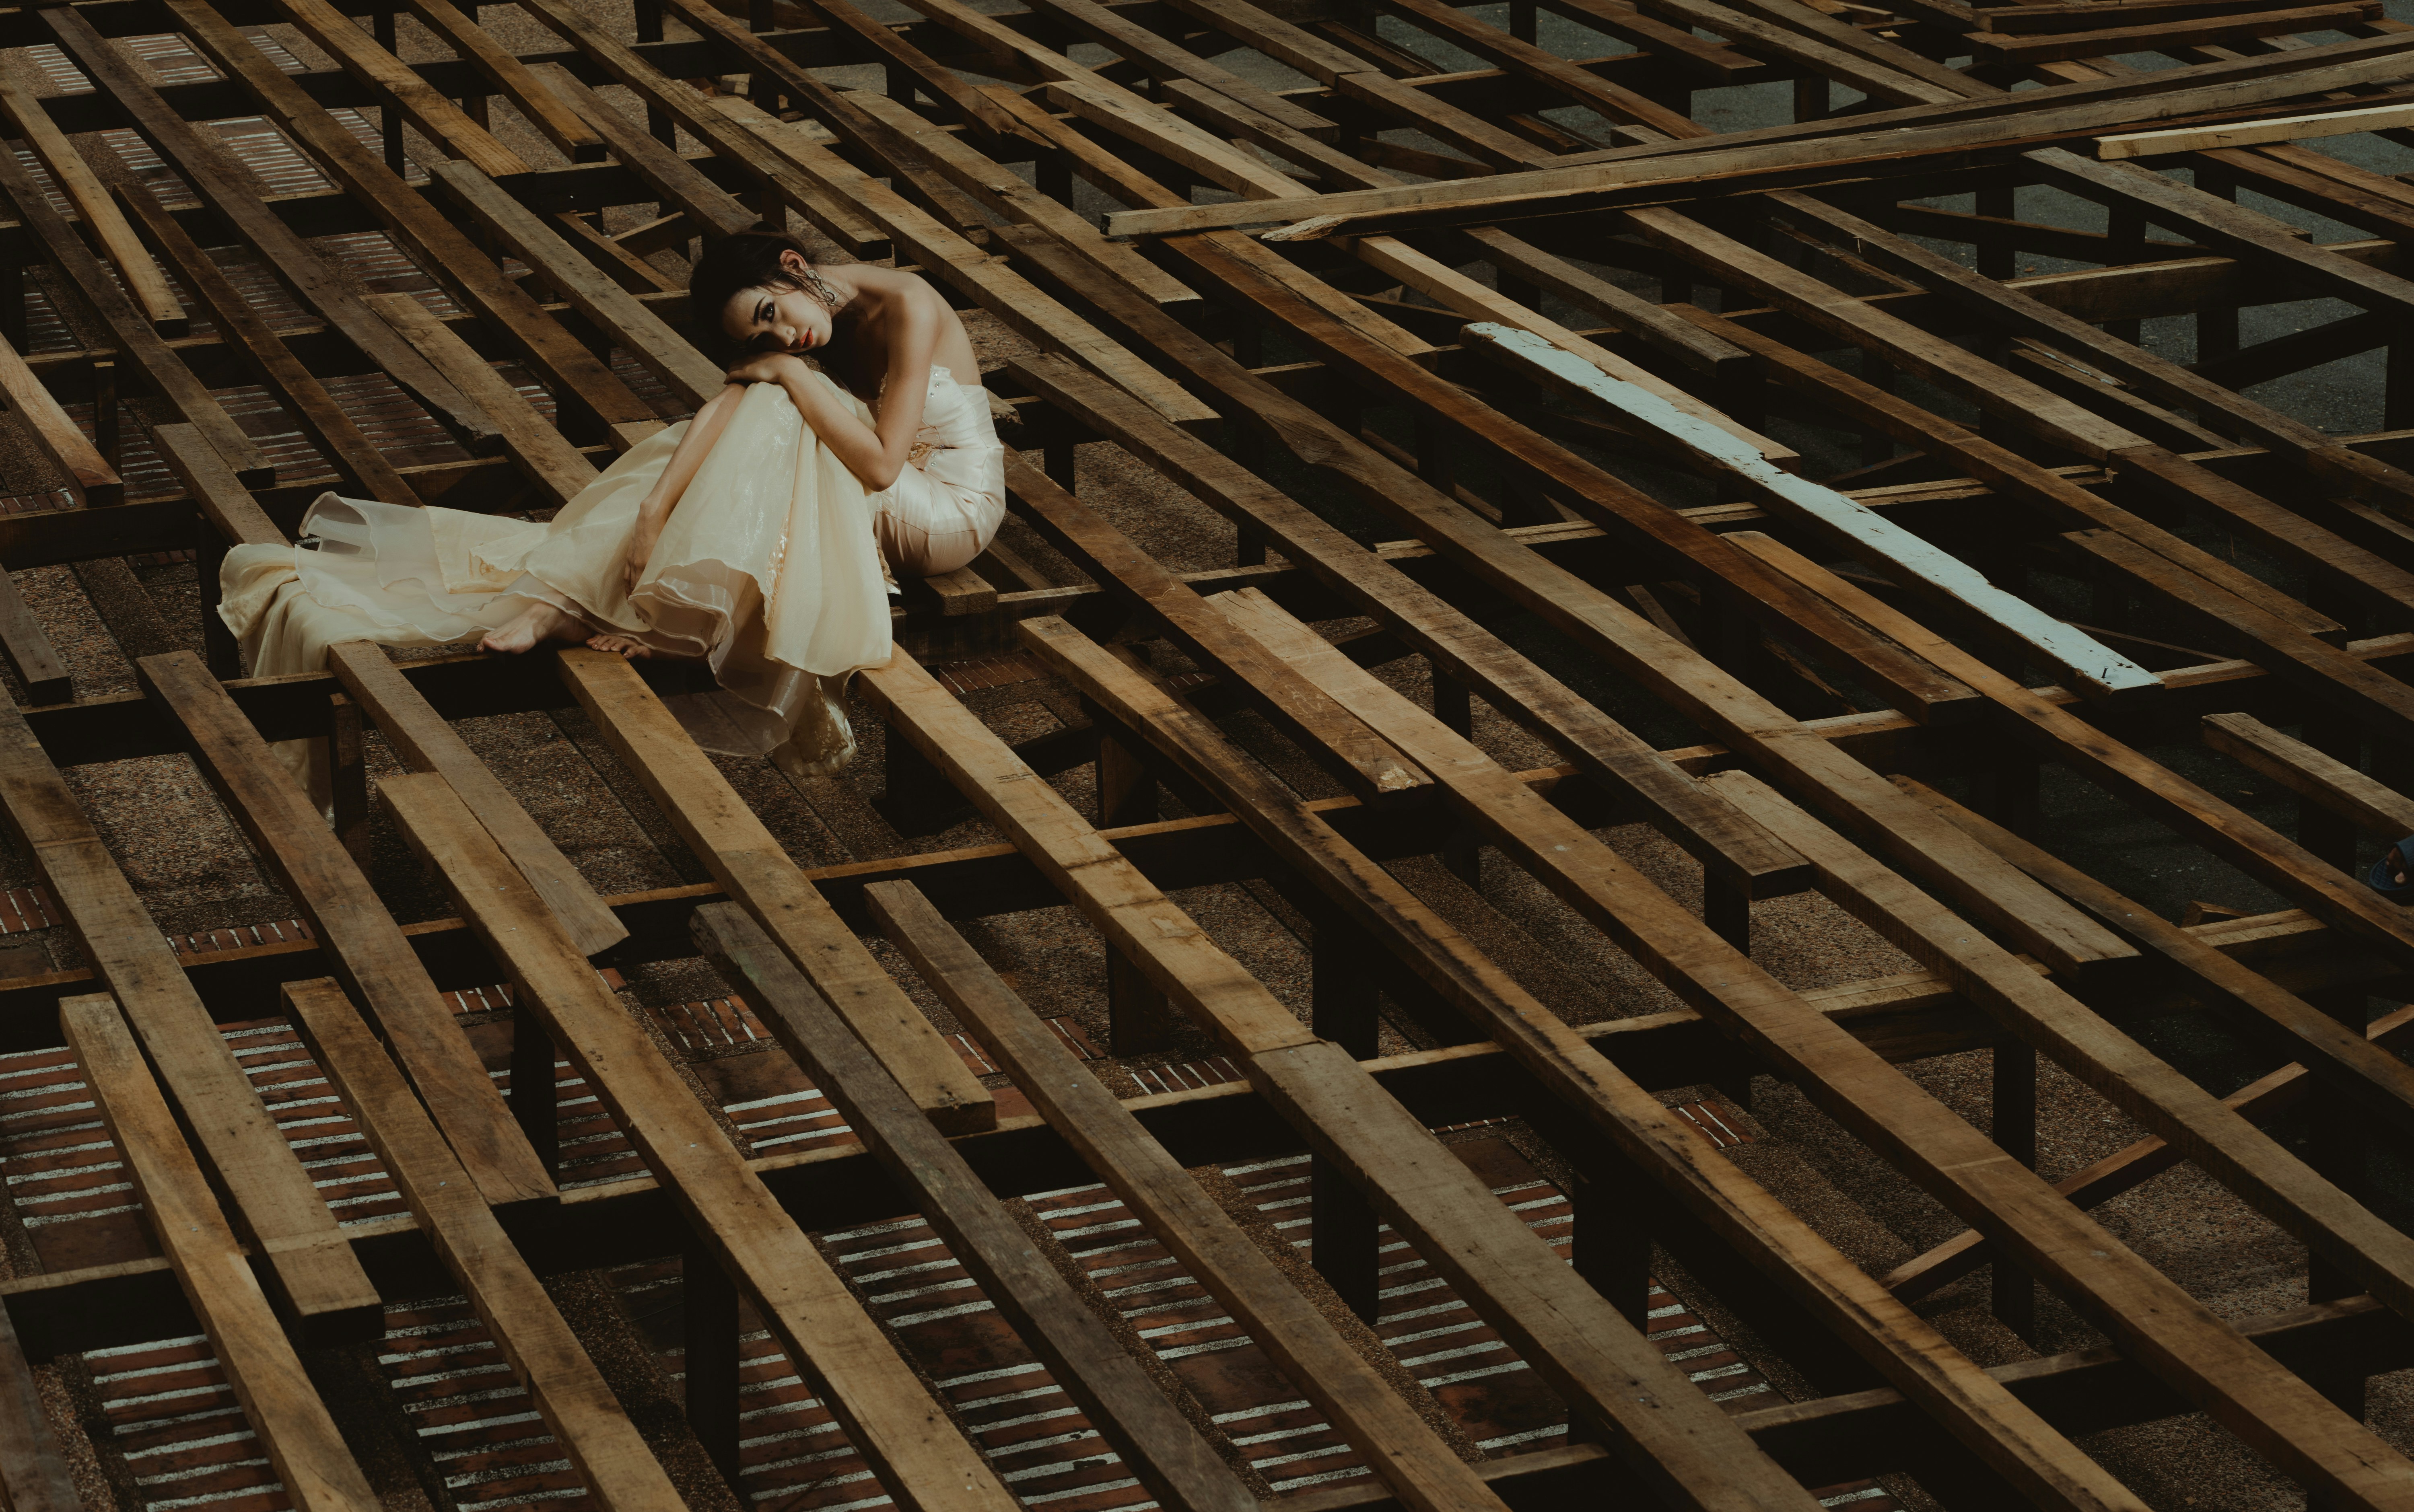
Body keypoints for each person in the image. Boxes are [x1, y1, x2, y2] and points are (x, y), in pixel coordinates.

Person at [217, 225, 1006, 777]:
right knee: (742, 417)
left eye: (773, 313)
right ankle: (585, 587)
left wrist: (792, 377)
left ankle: (603, 604)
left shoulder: (908, 303)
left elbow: (876, 465)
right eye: (764, 337)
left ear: (796, 266)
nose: (787, 338)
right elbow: (731, 405)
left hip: (944, 511)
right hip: (876, 485)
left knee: (777, 407)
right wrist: (654, 512)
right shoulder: (801, 336)